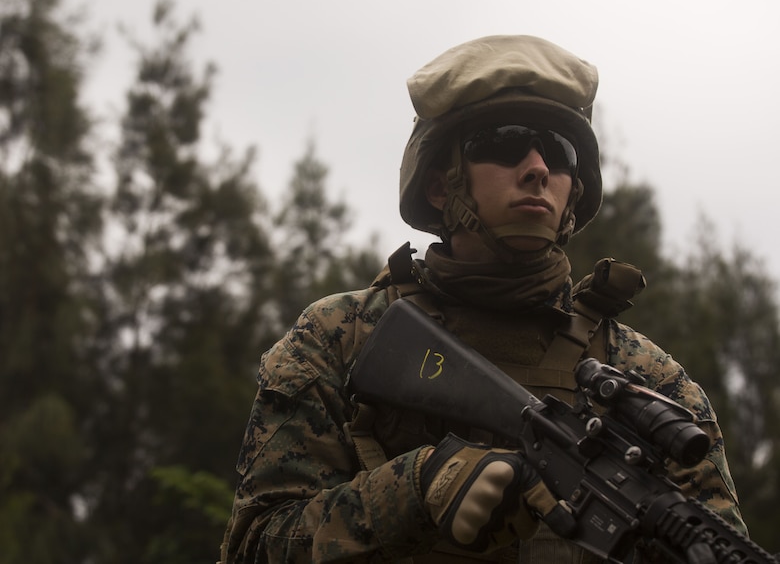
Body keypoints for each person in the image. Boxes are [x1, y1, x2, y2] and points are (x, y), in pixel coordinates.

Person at [219, 35, 746, 563]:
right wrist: (415, 488)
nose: (538, 168)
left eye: (559, 153)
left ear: (575, 190)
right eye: (504, 142)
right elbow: (253, 547)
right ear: (440, 187)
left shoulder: (647, 378)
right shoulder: (342, 337)